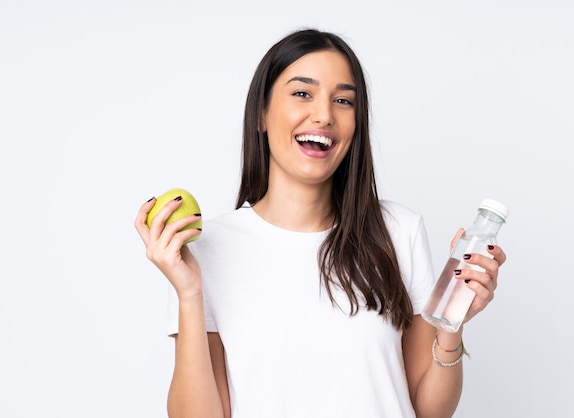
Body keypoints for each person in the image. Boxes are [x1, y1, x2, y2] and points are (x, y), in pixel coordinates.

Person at [135, 28, 507, 418]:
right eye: (302, 93)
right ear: (261, 113)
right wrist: (189, 293)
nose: (325, 115)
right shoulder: (204, 250)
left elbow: (429, 411)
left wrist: (452, 323)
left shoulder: (399, 230)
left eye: (343, 100)